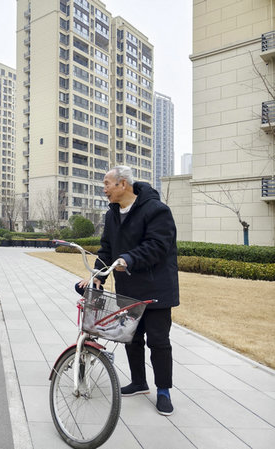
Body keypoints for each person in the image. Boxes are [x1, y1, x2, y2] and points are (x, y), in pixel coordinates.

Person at [78, 165, 179, 416]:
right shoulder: (112, 214)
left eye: (107, 184)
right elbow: (106, 249)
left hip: (156, 289)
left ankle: (164, 391)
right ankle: (139, 382)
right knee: (131, 338)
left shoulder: (156, 210)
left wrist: (129, 259)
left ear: (122, 184)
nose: (104, 190)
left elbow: (157, 245)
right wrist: (98, 276)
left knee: (158, 341)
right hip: (128, 288)